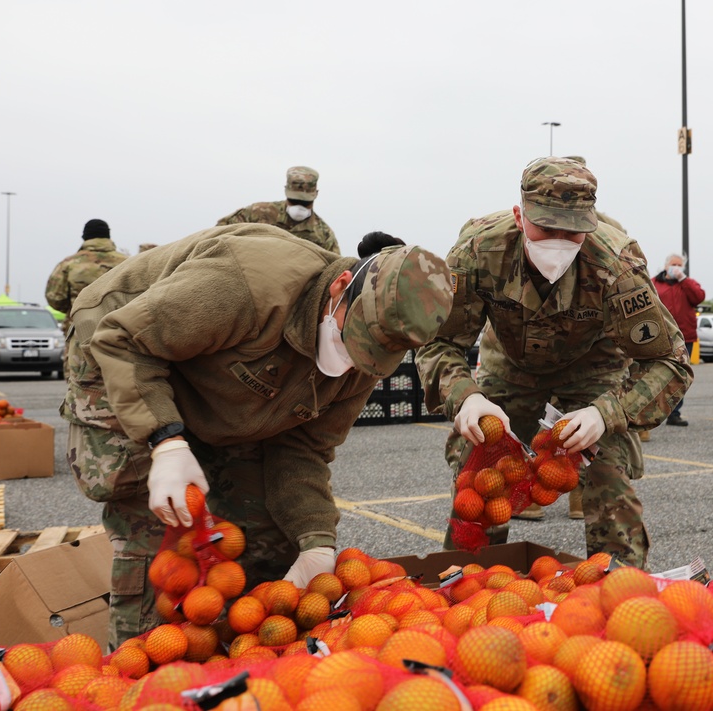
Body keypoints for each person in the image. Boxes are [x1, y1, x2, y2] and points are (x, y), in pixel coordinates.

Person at [61, 224, 452, 646]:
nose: (356, 356)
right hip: (121, 340)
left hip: (218, 379)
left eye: (376, 351)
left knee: (269, 533)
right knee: (159, 521)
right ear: (341, 285)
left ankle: (234, 650)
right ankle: (137, 663)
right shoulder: (246, 285)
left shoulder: (362, 363)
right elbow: (123, 340)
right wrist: (167, 441)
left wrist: (315, 539)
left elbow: (304, 446)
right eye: (356, 336)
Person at [416, 156, 692, 568]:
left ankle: (618, 589)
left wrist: (608, 412)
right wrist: (467, 397)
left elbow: (670, 362)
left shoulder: (616, 264)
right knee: (483, 471)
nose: (559, 242)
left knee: (608, 469)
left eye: (574, 231)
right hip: (509, 363)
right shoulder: (479, 251)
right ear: (519, 215)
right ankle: (468, 581)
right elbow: (439, 342)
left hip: (593, 366)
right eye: (546, 228)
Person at [216, 166, 340, 254]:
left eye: (305, 202)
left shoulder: (323, 234)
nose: (299, 206)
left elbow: (334, 269)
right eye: (295, 200)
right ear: (286, 191)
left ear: (315, 195)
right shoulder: (257, 213)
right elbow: (219, 232)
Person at [45, 219, 128, 332]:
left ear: (85, 237)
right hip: (119, 332)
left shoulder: (69, 264)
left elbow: (55, 297)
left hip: (80, 330)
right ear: (108, 236)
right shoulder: (127, 263)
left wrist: (74, 309)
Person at [653, 253, 705, 426]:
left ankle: (674, 413)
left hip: (684, 336)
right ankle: (652, 413)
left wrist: (683, 279)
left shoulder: (688, 284)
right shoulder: (654, 283)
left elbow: (699, 297)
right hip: (660, 336)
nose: (677, 267)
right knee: (657, 374)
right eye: (674, 264)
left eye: (680, 265)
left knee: (680, 376)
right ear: (666, 266)